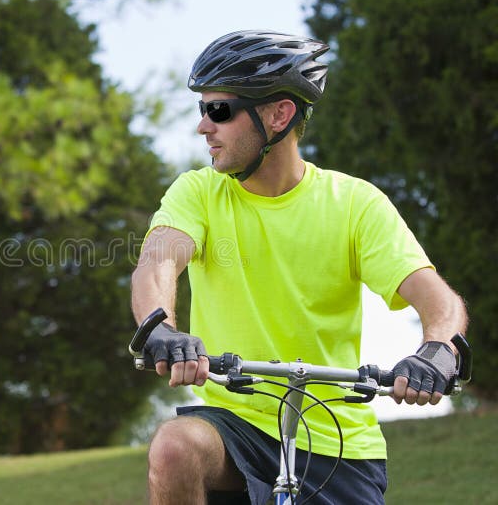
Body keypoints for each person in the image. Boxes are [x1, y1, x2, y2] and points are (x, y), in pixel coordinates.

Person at [131, 30, 469, 505]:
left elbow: (437, 298)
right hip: (236, 427)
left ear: (279, 114)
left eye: (220, 110)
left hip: (340, 447)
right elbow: (158, 261)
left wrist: (437, 350)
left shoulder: (355, 204)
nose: (204, 126)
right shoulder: (198, 193)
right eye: (201, 110)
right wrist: (159, 327)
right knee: (174, 448)